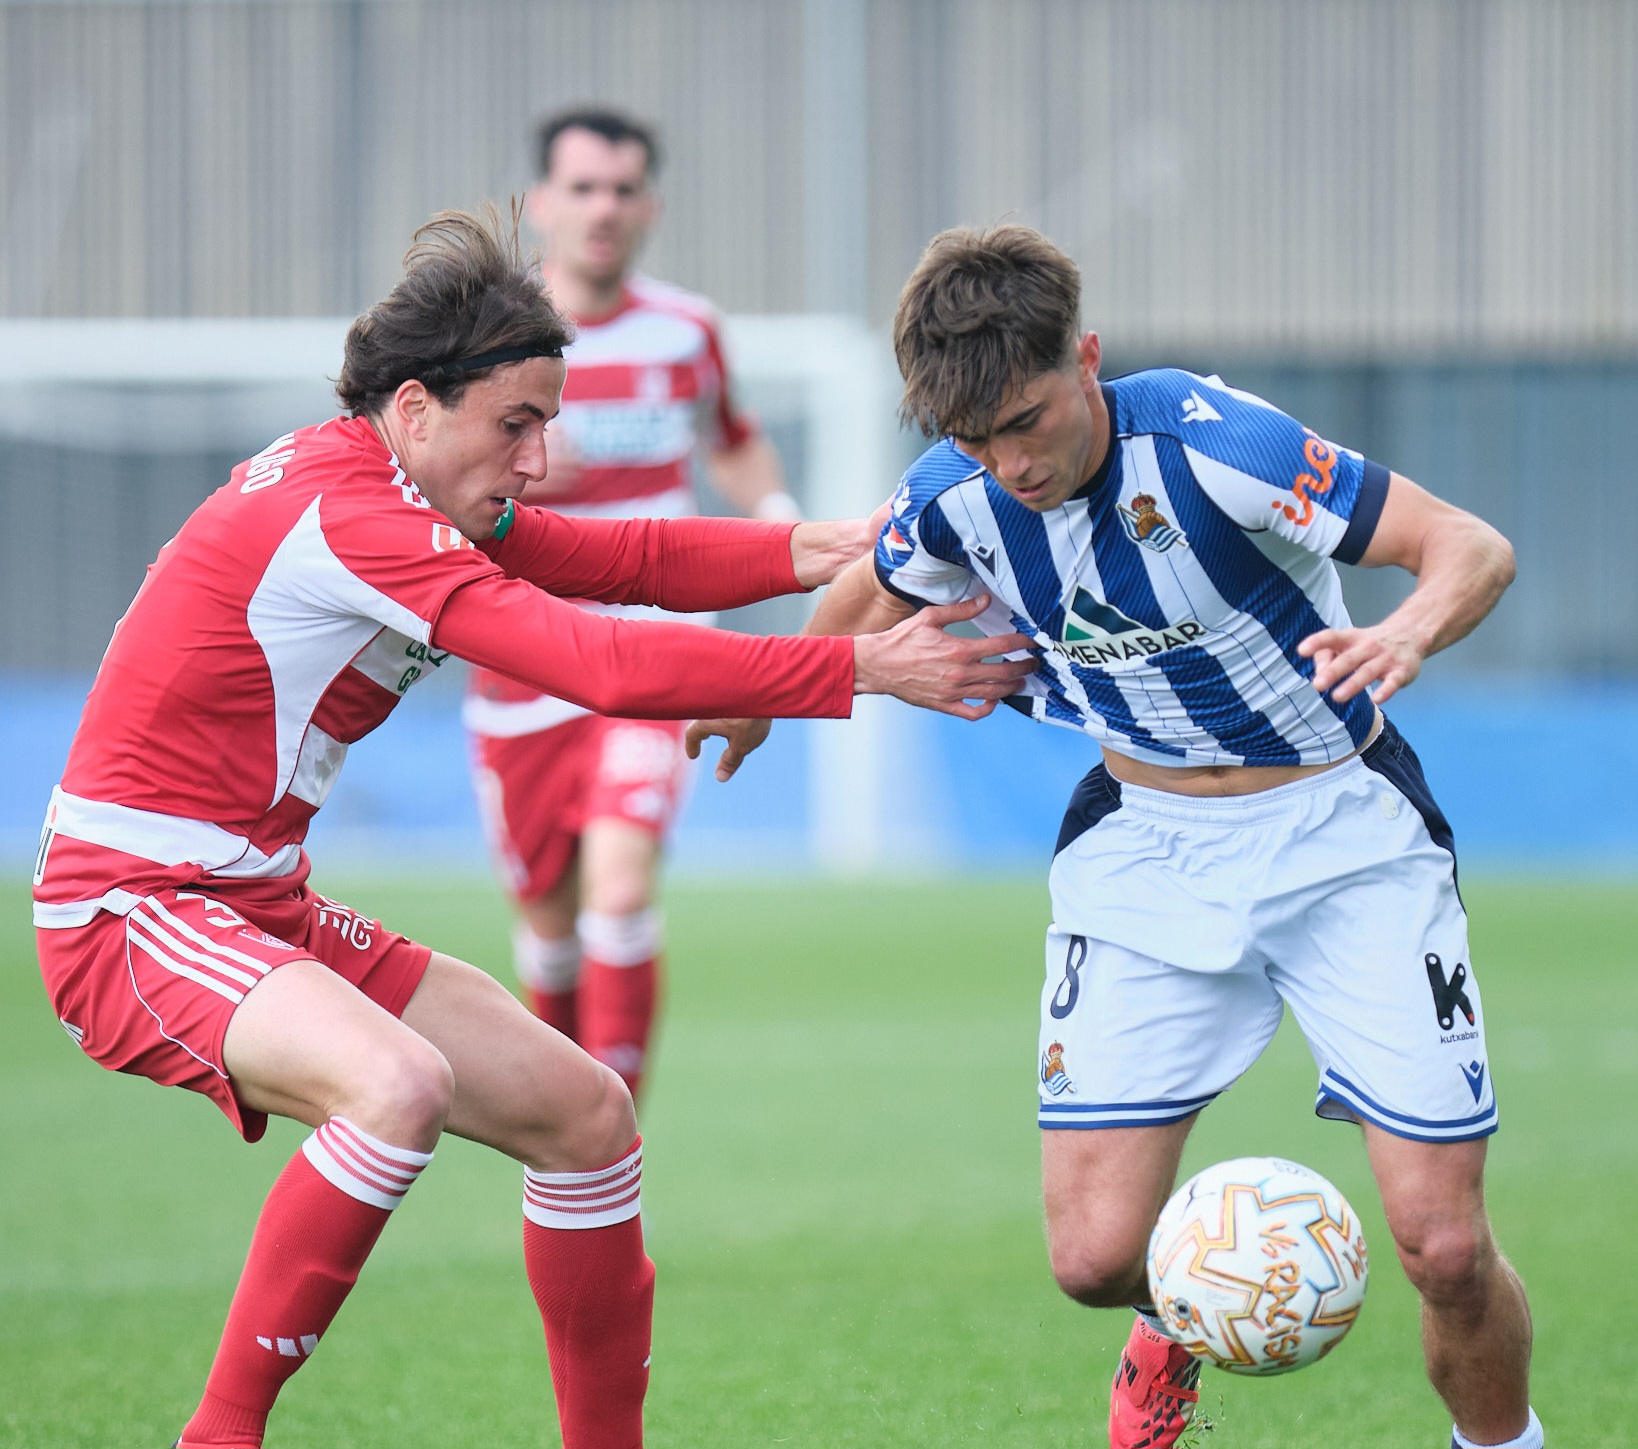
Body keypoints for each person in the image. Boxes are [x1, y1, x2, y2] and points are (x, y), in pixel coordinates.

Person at [29, 207, 1032, 1449]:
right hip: (132, 907)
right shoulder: (357, 520)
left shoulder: (395, 486)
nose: (540, 457)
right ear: (413, 407)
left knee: (588, 1117)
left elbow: (622, 558)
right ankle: (218, 1437)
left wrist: (822, 543)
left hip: (250, 901)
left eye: (549, 421)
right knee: (395, 1087)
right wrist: (862, 672)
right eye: (518, 422)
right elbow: (593, 658)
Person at [688, 225, 1542, 1449]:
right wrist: (777, 691)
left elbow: (1473, 546)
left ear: (1084, 357)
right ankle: (1180, 1316)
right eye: (976, 438)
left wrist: (1407, 631)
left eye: (1027, 420)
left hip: (1346, 835)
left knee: (1444, 1248)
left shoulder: (1214, 445)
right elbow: (876, 580)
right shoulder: (958, 489)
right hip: (1142, 848)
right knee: (1092, 1261)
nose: (1010, 463)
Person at [460, 108, 798, 1102]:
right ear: (541, 205)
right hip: (523, 656)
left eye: (621, 189)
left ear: (648, 205)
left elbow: (732, 437)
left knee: (620, 884)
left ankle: (610, 1128)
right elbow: (422, 472)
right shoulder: (484, 338)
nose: (602, 209)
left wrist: (778, 525)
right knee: (550, 928)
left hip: (655, 642)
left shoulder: (686, 329)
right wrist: (508, 464)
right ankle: (562, 1124)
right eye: (582, 188)